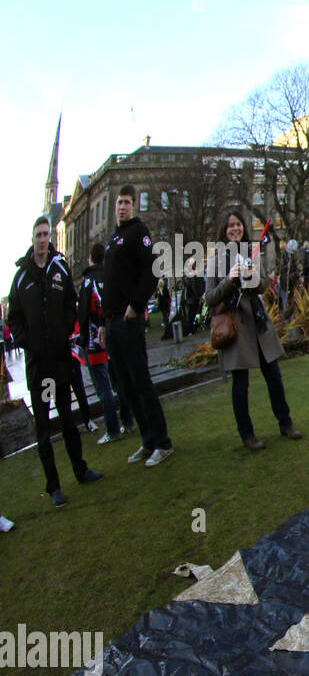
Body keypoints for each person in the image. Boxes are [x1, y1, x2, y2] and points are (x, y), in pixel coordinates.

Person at [8, 216, 103, 506]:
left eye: (46, 234)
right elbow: (14, 319)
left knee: (68, 420)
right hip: (40, 368)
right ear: (32, 237)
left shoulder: (59, 268)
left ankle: (80, 469)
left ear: (51, 237)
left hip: (62, 363)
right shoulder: (21, 277)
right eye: (38, 234)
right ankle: (54, 487)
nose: (42, 239)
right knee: (44, 430)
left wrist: (64, 332)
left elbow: (72, 306)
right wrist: (29, 342)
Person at [204, 211, 302, 450]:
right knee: (241, 385)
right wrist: (230, 279)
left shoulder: (250, 254)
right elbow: (209, 298)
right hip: (236, 328)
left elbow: (262, 286)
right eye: (230, 226)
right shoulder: (215, 261)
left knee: (274, 377)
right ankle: (247, 434)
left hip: (258, 324)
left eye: (238, 225)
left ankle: (285, 422)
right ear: (223, 231)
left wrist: (251, 277)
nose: (234, 229)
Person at [102, 183, 174, 467]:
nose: (122, 207)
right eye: (119, 202)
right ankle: (147, 441)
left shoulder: (138, 232)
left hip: (128, 320)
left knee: (141, 382)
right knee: (126, 387)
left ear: (134, 206)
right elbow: (110, 283)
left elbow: (151, 271)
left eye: (127, 202)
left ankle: (163, 442)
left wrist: (136, 305)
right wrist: (102, 322)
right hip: (112, 323)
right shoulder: (113, 238)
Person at [78, 242, 124, 444]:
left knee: (103, 388)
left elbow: (82, 313)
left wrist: (82, 340)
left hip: (95, 339)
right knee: (119, 380)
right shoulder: (112, 275)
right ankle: (129, 421)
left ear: (91, 257)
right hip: (113, 333)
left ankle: (113, 429)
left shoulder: (87, 281)